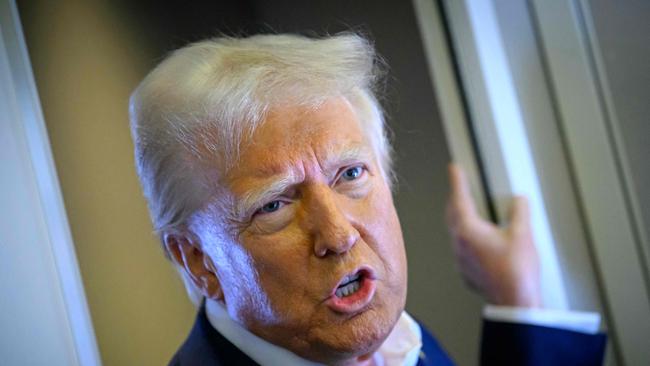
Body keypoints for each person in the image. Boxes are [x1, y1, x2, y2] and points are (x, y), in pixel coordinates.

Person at [129, 33, 606, 365]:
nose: (337, 235)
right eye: (274, 204)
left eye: (351, 173)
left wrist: (517, 298)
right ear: (198, 261)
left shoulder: (387, 334)